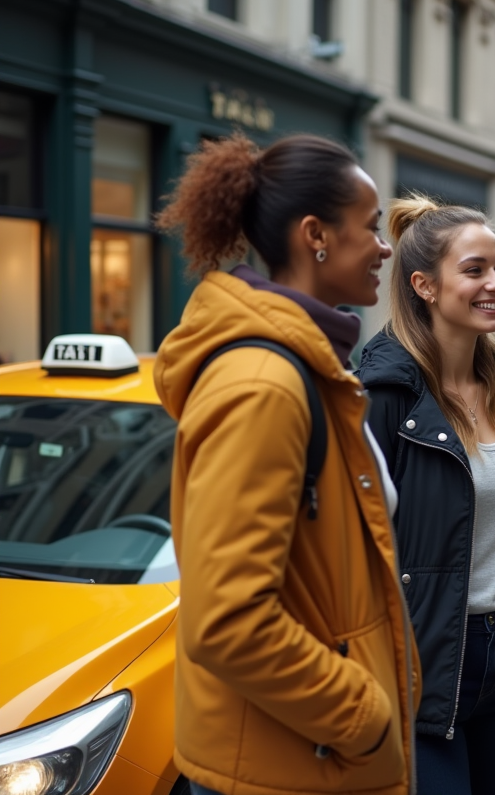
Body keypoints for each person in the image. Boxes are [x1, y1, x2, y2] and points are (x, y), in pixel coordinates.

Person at [153, 134, 419, 795]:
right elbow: (229, 621)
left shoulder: (304, 365)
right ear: (315, 236)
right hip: (289, 767)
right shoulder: (265, 384)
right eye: (371, 227)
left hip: (301, 757)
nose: (385, 247)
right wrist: (365, 718)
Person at [356, 197, 495, 795]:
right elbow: (359, 546)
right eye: (475, 270)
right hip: (423, 658)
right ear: (424, 285)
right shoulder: (381, 394)